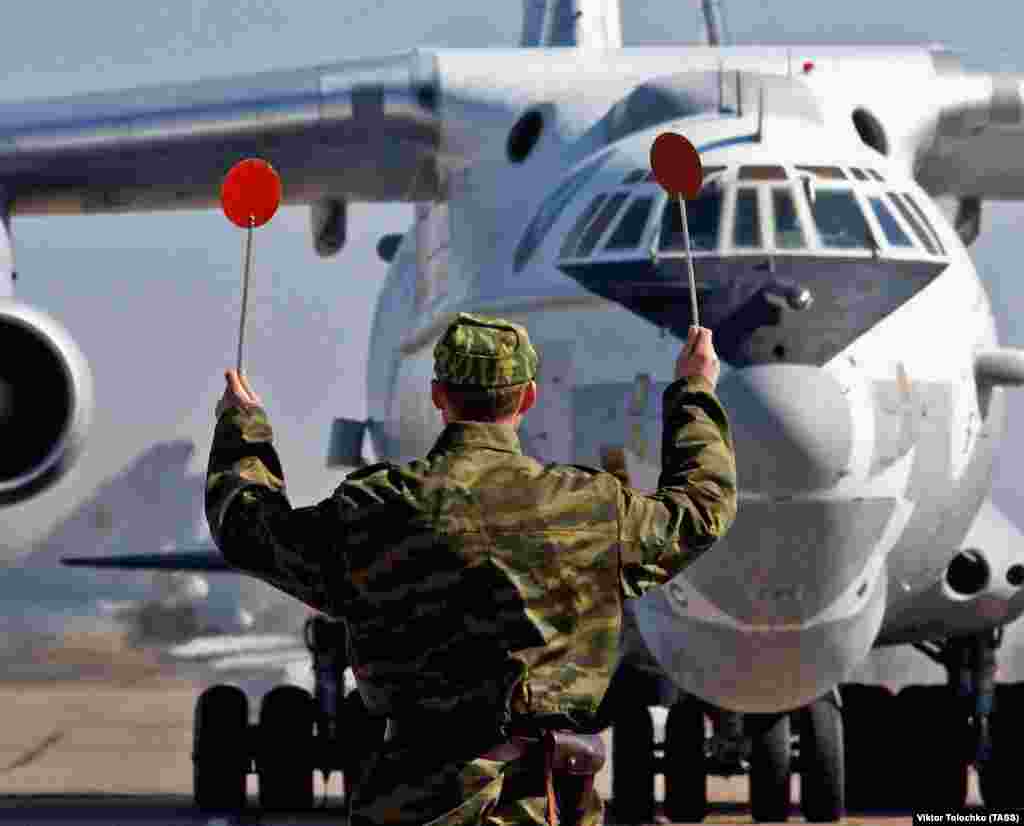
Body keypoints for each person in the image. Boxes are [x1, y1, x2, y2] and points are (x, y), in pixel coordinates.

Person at [207, 313, 736, 826]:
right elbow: (700, 509)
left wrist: (242, 431)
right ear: (528, 396)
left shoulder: (376, 507)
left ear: (439, 396)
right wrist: (694, 391)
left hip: (413, 793)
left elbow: (249, 531)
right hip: (546, 796)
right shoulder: (590, 506)